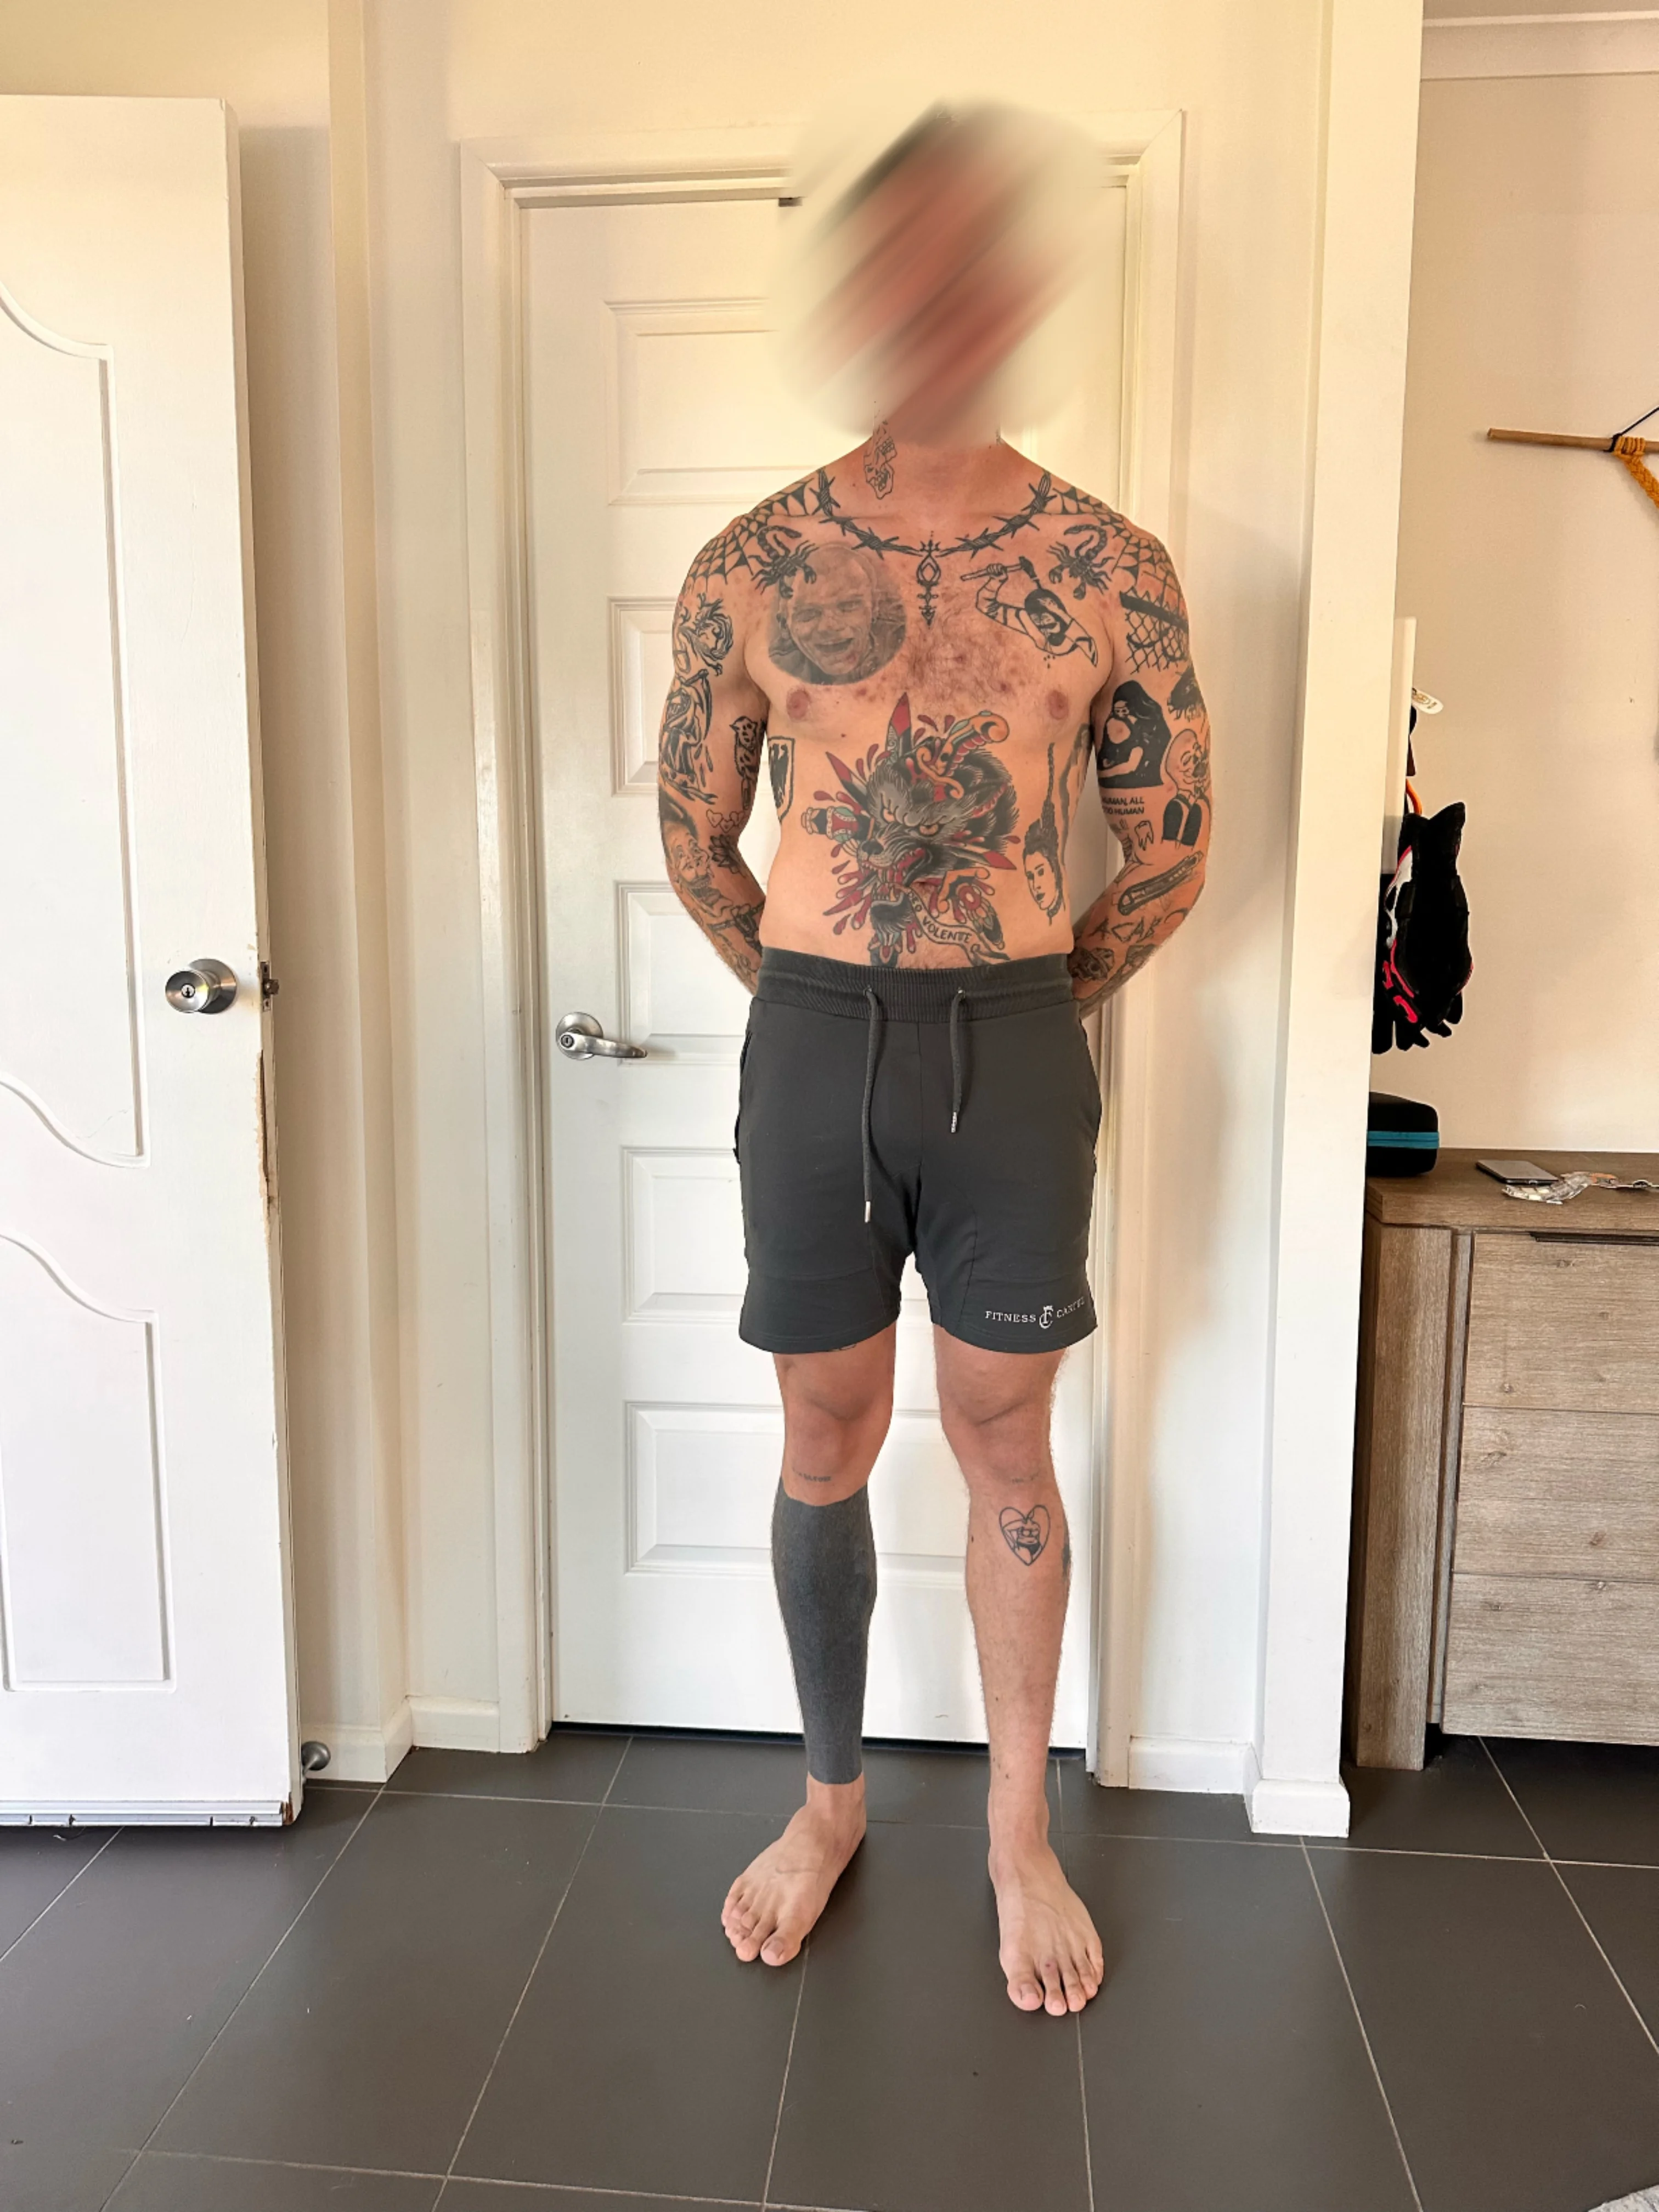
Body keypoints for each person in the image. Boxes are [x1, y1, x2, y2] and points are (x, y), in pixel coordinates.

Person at [657, 100, 1211, 2018]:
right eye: (910, 257)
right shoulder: (750, 565)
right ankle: (828, 1805)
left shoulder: (1111, 567)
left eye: (979, 259)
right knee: (824, 1429)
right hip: (815, 1043)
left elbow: (1170, 848)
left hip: (1017, 1046)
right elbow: (695, 839)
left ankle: (1015, 1837)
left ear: (1021, 291)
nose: (944, 295)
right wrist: (818, 999)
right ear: (859, 287)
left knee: (1001, 1437)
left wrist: (1026, 998)